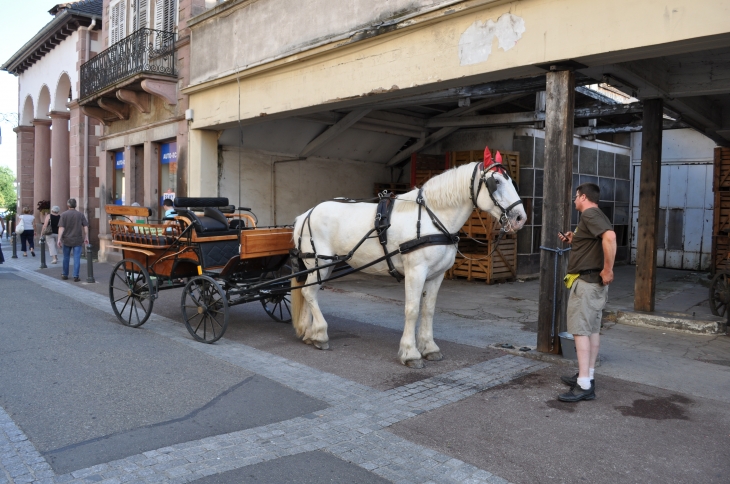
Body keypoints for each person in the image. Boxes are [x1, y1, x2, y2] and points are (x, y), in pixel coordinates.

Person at [557, 182, 616, 403]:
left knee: (580, 331)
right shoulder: (594, 216)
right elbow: (597, 242)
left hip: (588, 283)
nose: (574, 200)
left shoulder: (590, 214)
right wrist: (575, 240)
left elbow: (609, 237)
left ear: (583, 197)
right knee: (591, 330)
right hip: (593, 284)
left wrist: (608, 269)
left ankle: (583, 385)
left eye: (575, 196)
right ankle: (587, 376)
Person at [57, 199, 89, 282]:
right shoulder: (80, 215)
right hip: (77, 239)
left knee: (66, 257)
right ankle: (76, 276)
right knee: (77, 258)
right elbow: (85, 226)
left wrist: (59, 239)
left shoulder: (63, 215)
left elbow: (61, 228)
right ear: (76, 205)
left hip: (66, 239)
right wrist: (86, 237)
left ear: (68, 205)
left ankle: (64, 274)